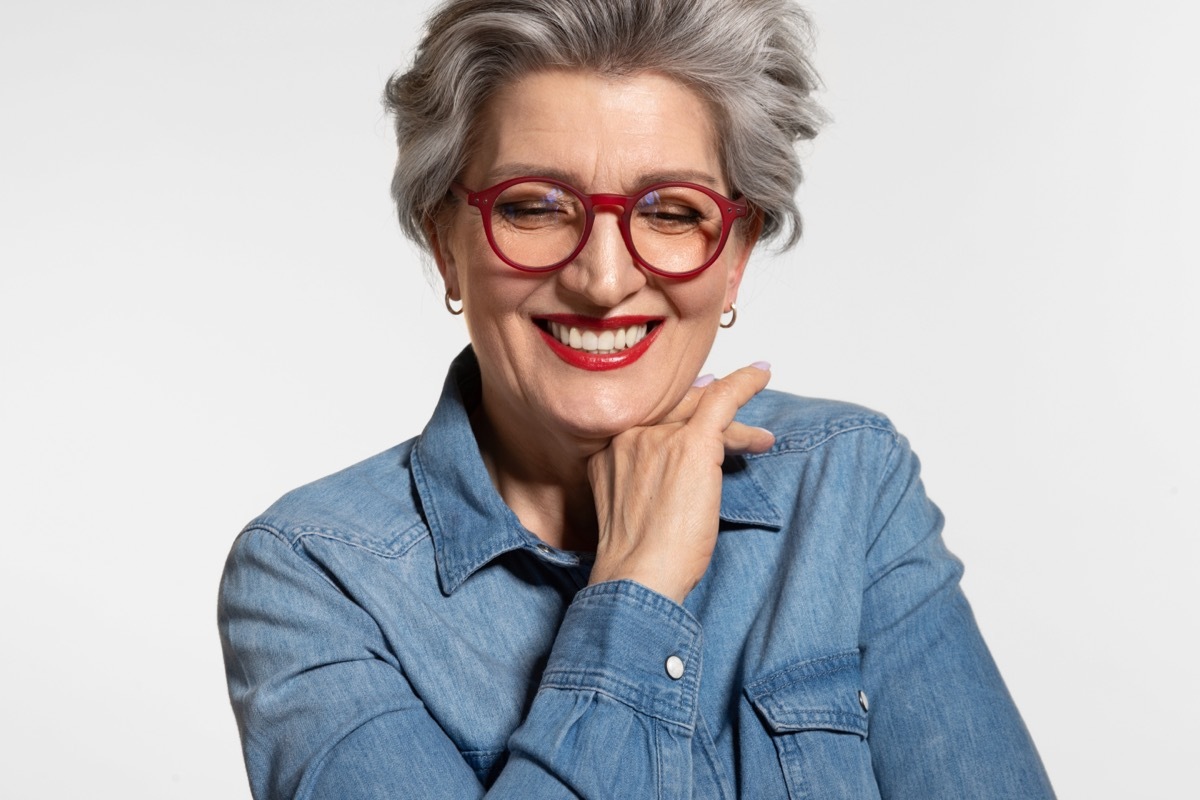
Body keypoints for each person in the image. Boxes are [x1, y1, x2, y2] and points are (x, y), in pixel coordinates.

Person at [218, 0, 1056, 797]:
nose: (604, 279)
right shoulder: (314, 575)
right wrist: (637, 590)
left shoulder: (847, 482)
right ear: (445, 243)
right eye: (534, 207)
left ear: (734, 254)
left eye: (670, 212)